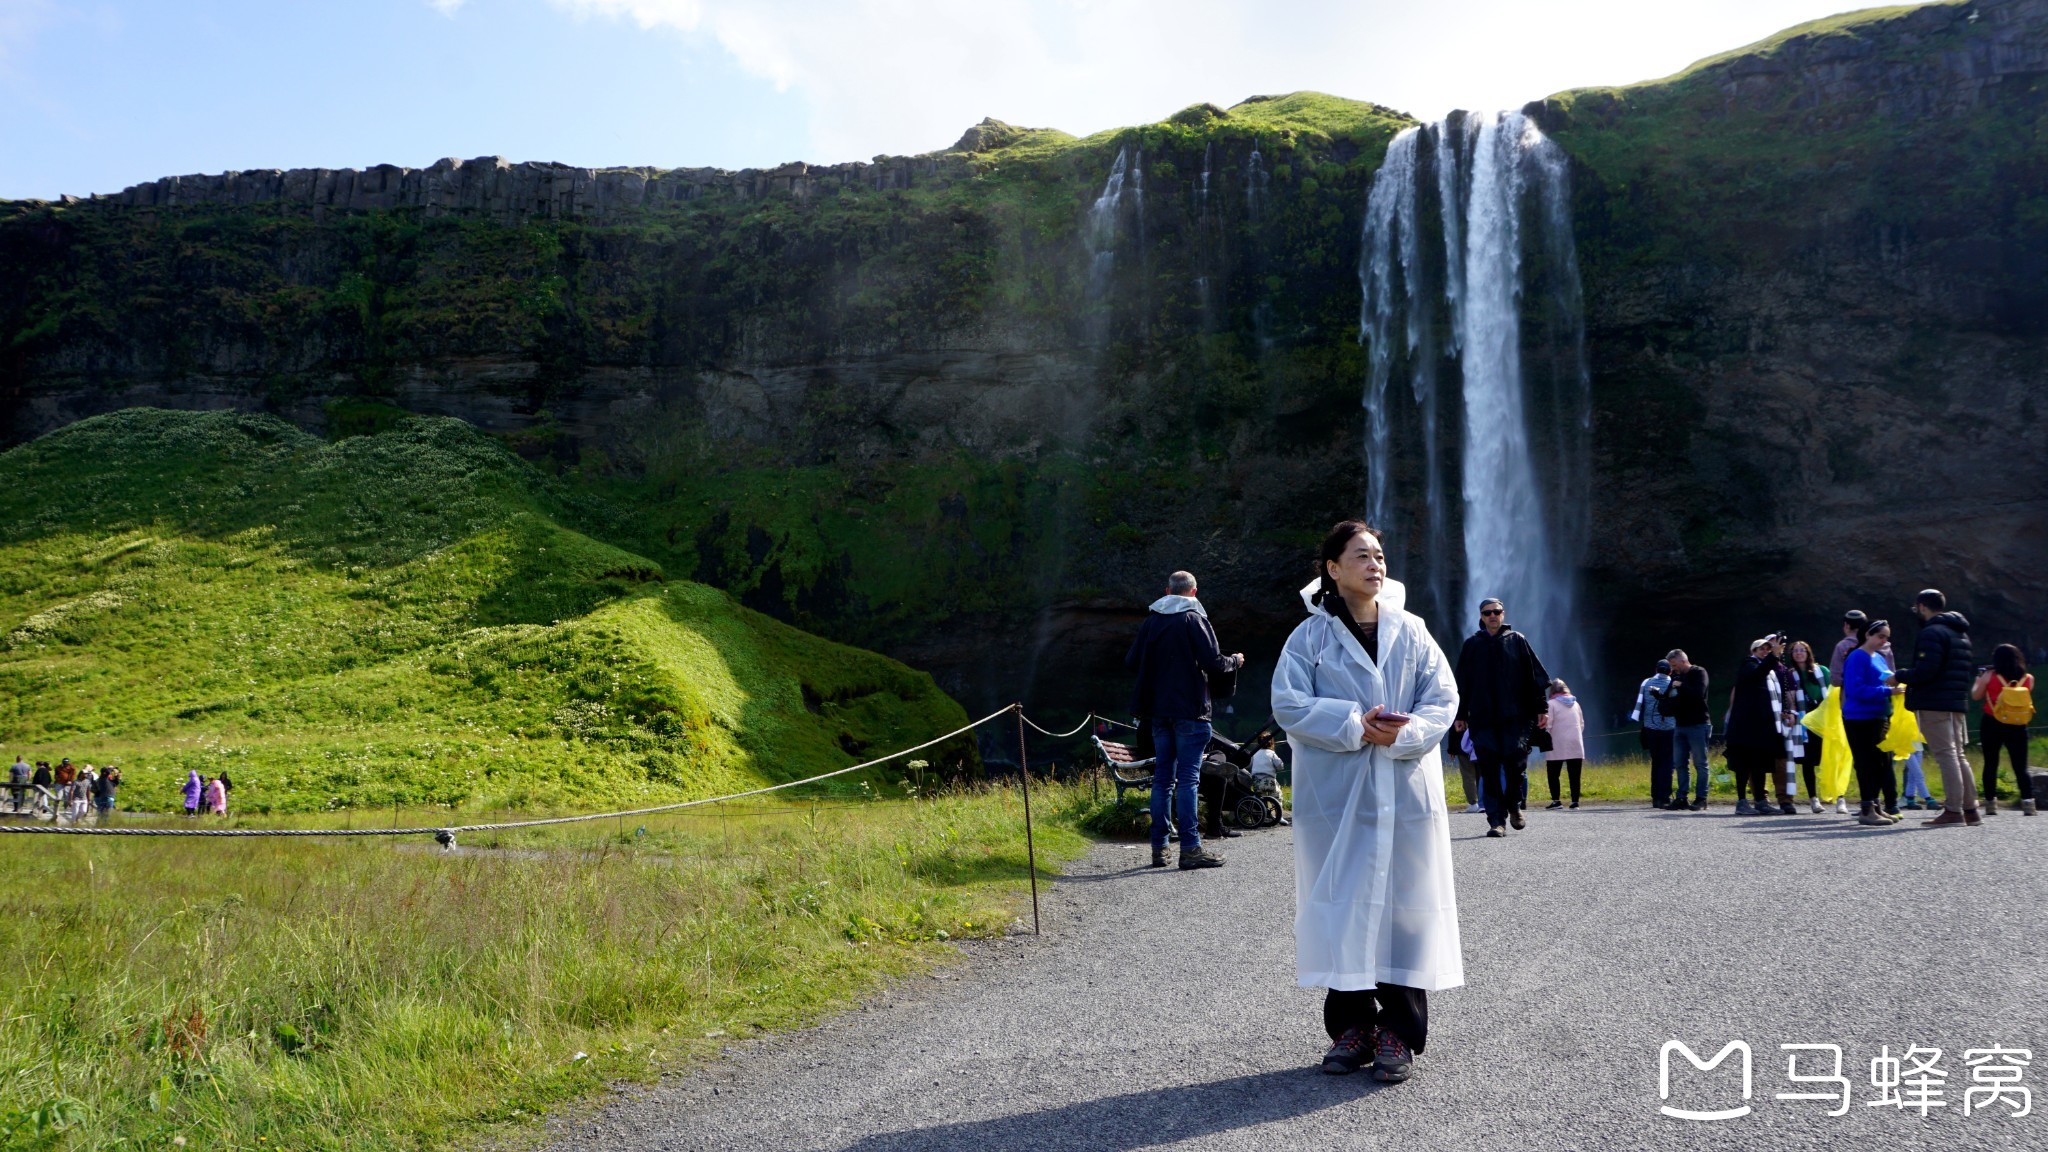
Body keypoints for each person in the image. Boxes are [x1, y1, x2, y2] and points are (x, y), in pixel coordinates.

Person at [1272, 520, 1460, 1084]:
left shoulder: (1414, 631)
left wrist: (1399, 734)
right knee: (1344, 904)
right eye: (1361, 556)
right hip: (1340, 797)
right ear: (1332, 568)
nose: (1375, 565)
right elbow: (1288, 703)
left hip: (1403, 791)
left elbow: (1442, 696)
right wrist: (1355, 724)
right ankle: (1351, 1029)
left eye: (1379, 556)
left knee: (1404, 911)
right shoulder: (1308, 639)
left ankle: (1398, 1032)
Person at [1127, 570, 1244, 870]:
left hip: (1158, 713)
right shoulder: (1194, 618)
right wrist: (1235, 661)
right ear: (1194, 592)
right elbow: (1213, 662)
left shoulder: (1151, 621)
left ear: (1167, 591)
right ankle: (1190, 849)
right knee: (1189, 781)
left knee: (1163, 780)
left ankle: (1159, 849)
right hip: (1191, 711)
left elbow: (1131, 661)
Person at [1453, 598, 1550, 838]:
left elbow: (1535, 677)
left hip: (1515, 718)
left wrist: (1542, 708)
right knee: (1489, 769)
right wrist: (1460, 714)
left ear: (1503, 614)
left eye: (1496, 612)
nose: (1492, 616)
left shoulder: (1517, 641)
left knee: (1516, 766)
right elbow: (1461, 683)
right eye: (1487, 613)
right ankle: (1496, 821)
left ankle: (1515, 806)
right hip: (1483, 718)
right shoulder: (1472, 645)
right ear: (1482, 616)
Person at [1891, 589, 1980, 827]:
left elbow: (1926, 671)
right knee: (1958, 754)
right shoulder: (1960, 633)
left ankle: (1953, 810)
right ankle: (1970, 809)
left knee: (1945, 755)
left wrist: (1899, 675)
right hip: (1956, 702)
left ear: (1922, 606)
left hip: (1934, 702)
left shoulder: (1931, 633)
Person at [1842, 619, 1905, 826]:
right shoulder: (1856, 657)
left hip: (1880, 716)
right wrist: (1888, 691)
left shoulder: (1878, 657)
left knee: (1881, 763)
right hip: (1860, 718)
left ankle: (1876, 805)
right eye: (1881, 636)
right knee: (1866, 763)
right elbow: (1855, 690)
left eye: (1887, 637)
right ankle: (1866, 808)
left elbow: (1886, 678)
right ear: (1868, 634)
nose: (1884, 641)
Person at [1726, 637, 1789, 815]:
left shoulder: (1770, 672)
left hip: (1762, 726)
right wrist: (1774, 656)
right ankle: (1742, 801)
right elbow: (1756, 674)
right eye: (1761, 649)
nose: (1764, 651)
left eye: (1768, 649)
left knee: (1760, 764)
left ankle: (1761, 801)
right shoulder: (1748, 664)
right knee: (1743, 765)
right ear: (1753, 651)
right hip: (1745, 727)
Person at [1974, 643, 2036, 816]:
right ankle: (2028, 802)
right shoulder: (2028, 678)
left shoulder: (1989, 676)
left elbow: (1976, 695)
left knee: (1991, 763)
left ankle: (1991, 803)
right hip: (2018, 724)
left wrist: (1978, 682)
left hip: (1992, 722)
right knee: (2020, 766)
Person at [1789, 641, 1832, 813]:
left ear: (1808, 652)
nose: (1799, 653)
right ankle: (1813, 798)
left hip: (1824, 719)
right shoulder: (1790, 674)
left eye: (1802, 650)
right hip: (1804, 721)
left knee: (1829, 758)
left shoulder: (1822, 671)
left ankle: (1838, 796)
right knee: (1808, 761)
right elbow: (1789, 697)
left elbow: (1832, 692)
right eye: (1795, 651)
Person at [1665, 650, 1711, 810]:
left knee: (1700, 763)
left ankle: (1701, 798)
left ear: (1682, 660)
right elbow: (1671, 698)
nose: (1673, 669)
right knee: (1680, 763)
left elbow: (1699, 694)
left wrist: (1682, 686)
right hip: (1680, 725)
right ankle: (1681, 797)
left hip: (1698, 724)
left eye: (1674, 665)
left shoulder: (1699, 672)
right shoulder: (1676, 678)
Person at [1633, 660, 1677, 808]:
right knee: (1667, 763)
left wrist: (1639, 719)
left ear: (1656, 669)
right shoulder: (1673, 683)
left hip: (1650, 728)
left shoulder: (1646, 683)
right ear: (1670, 671)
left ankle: (1655, 797)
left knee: (1656, 762)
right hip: (1669, 728)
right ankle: (1665, 796)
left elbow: (1640, 703)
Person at [1543, 679, 1587, 809]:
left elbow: (1548, 725)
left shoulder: (1551, 704)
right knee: (1574, 774)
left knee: (1553, 773)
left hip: (1557, 742)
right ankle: (1575, 802)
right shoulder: (1576, 704)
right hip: (1575, 742)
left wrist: (1545, 738)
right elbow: (1582, 723)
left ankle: (1556, 801)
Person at [1829, 610, 1892, 681]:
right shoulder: (1885, 646)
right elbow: (1892, 676)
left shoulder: (1842, 646)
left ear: (1847, 625)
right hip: (1885, 690)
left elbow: (1835, 679)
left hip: (1852, 691)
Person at [1248, 731, 1290, 826]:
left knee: (1260, 798)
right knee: (1277, 796)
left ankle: (1262, 815)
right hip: (1270, 780)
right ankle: (1279, 817)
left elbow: (1250, 765)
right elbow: (1279, 766)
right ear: (1271, 743)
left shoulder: (1254, 754)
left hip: (1257, 781)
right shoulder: (1271, 753)